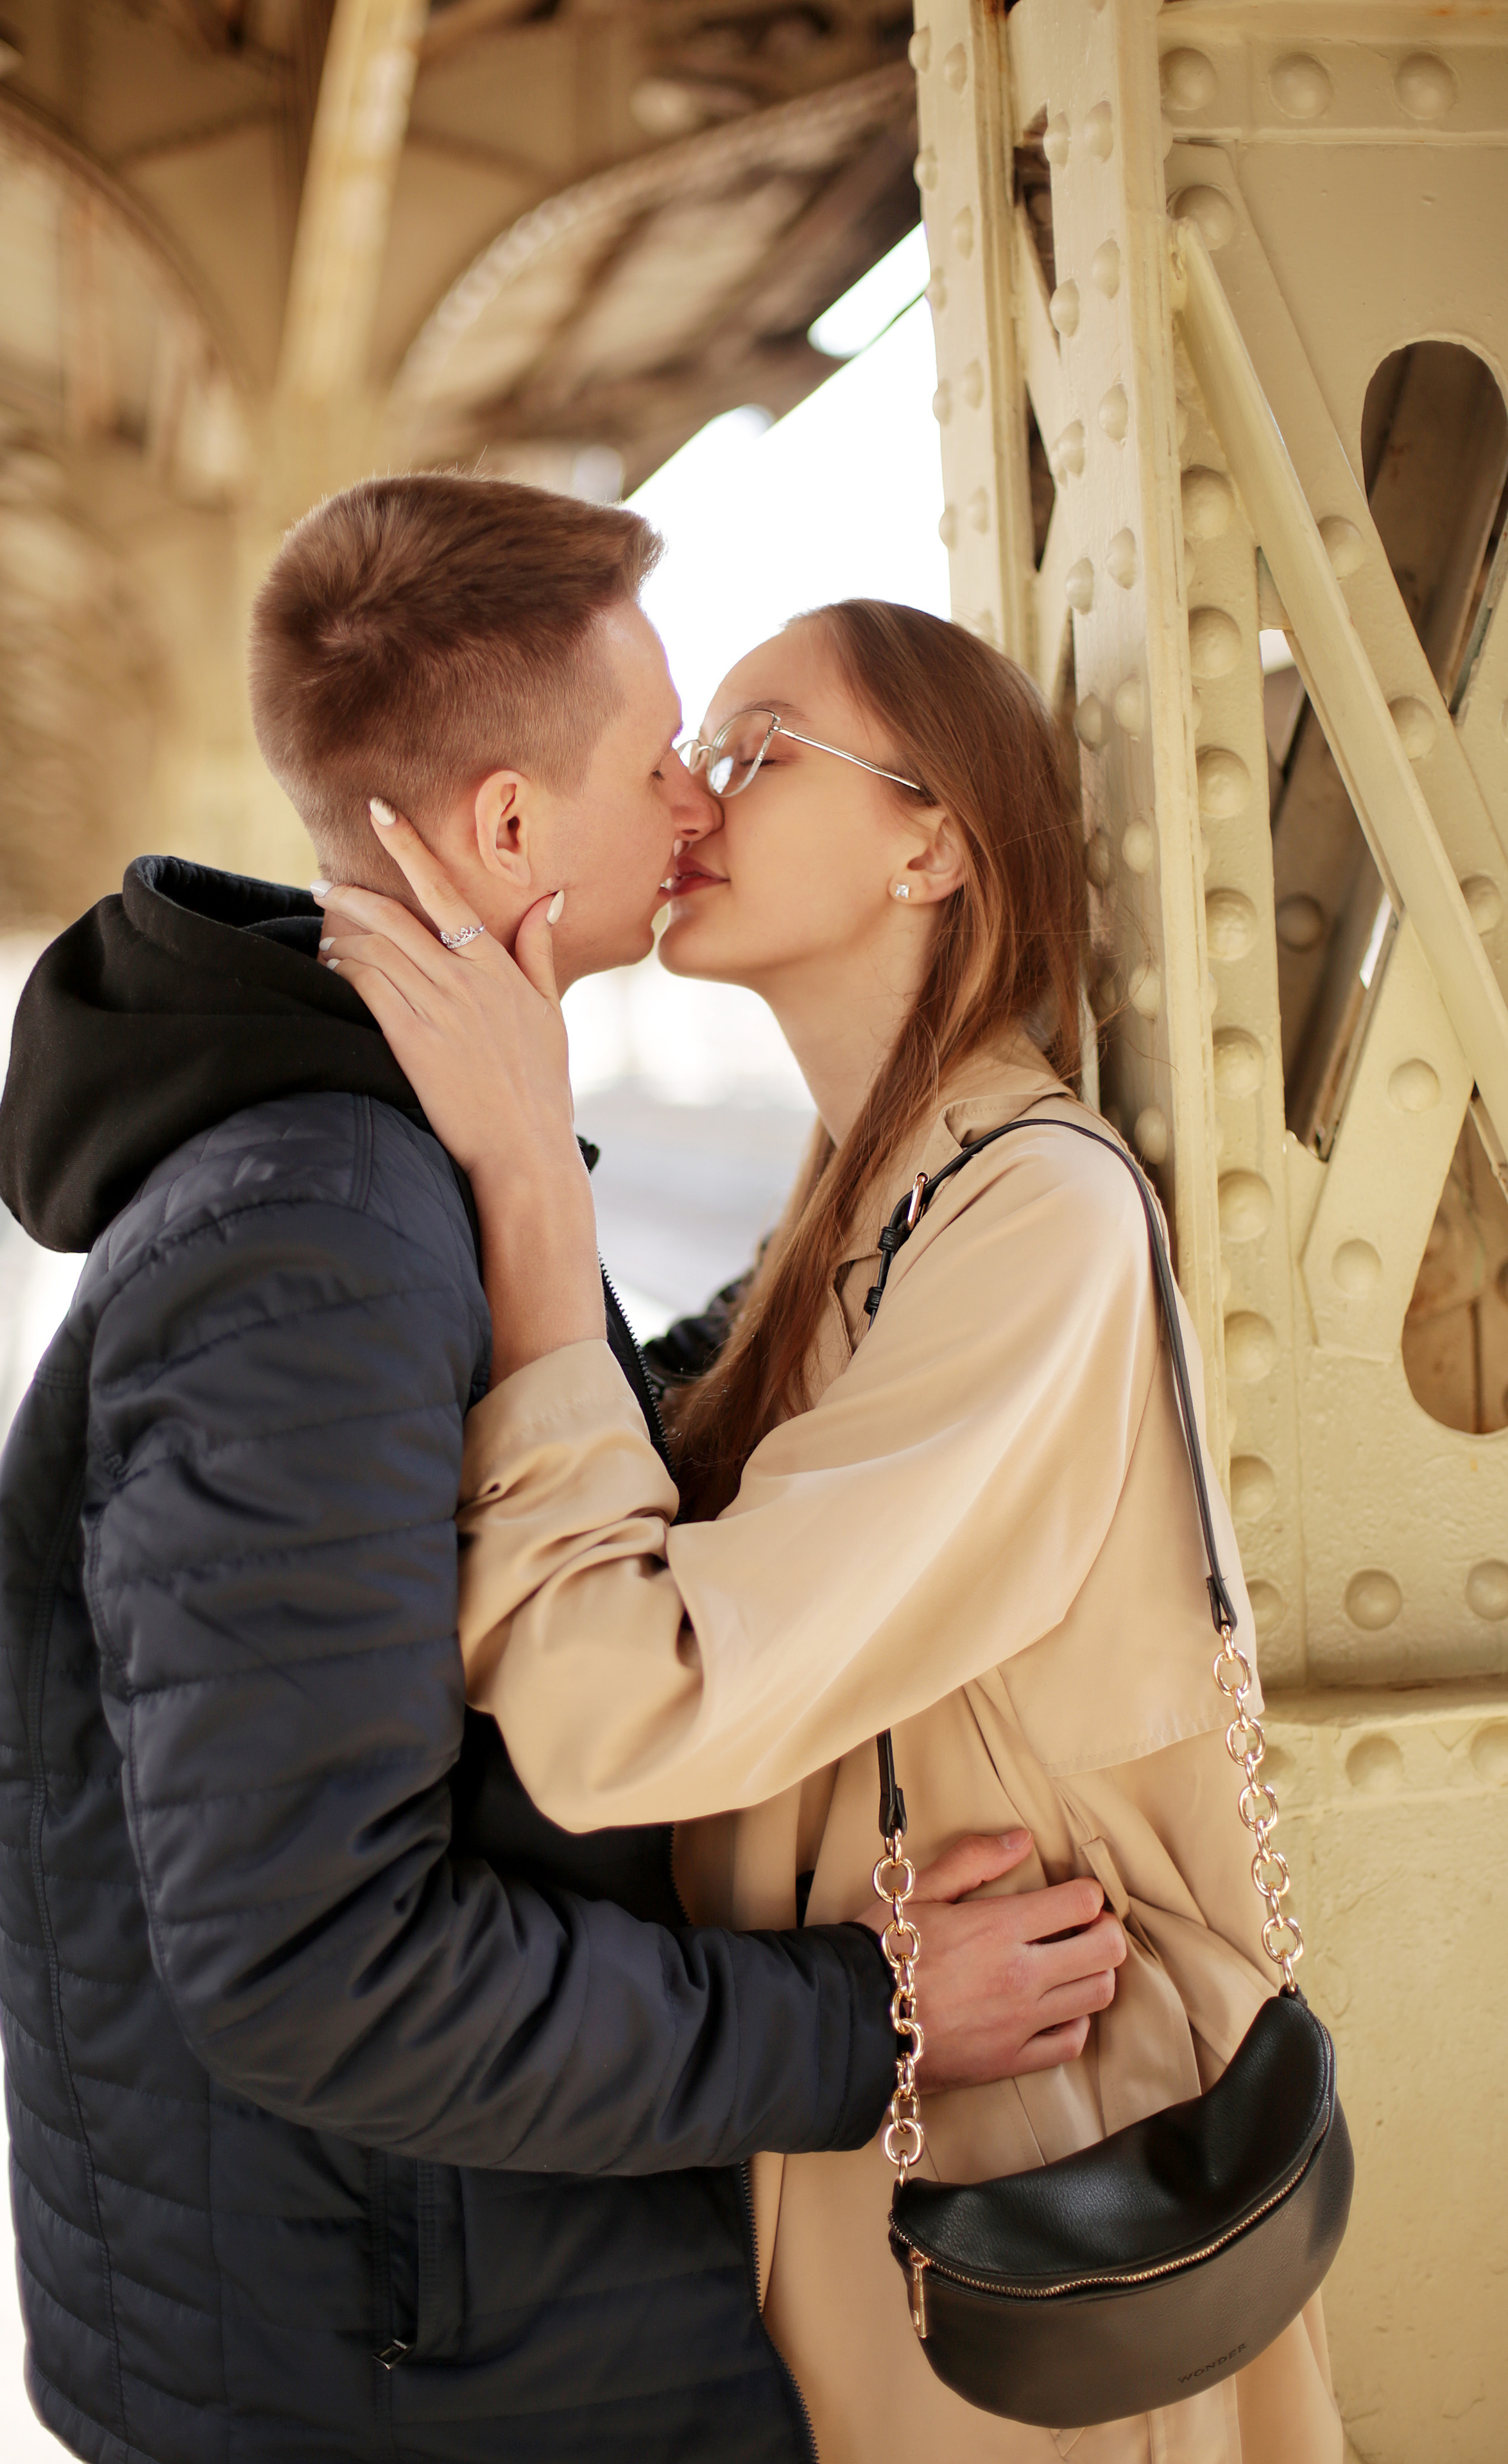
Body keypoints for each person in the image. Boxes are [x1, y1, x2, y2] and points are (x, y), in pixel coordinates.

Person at [0, 480, 1125, 2464]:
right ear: (513, 831)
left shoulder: (380, 1179)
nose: (695, 801)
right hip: (404, 2367)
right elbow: (318, 1967)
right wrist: (869, 2024)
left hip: (447, 2312)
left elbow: (611, 1443)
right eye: (673, 749)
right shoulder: (316, 1232)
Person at [318, 597, 1347, 2464]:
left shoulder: (1032, 1219)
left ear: (931, 840)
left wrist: (532, 1177)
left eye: (760, 744)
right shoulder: (863, 1204)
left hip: (1037, 2145)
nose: (694, 791)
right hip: (907, 2114)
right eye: (691, 748)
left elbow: (625, 1700)